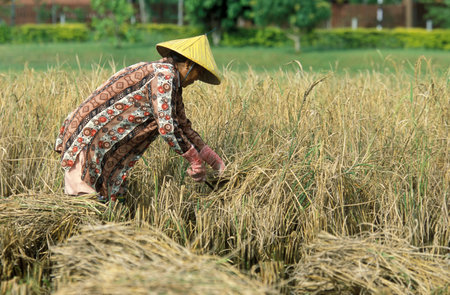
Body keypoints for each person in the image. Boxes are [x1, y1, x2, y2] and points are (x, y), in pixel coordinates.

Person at [54, 35, 225, 202]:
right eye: (198, 72)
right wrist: (194, 160)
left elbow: (183, 126)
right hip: (90, 138)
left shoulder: (170, 80)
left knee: (107, 204)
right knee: (84, 206)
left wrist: (214, 161)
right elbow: (168, 128)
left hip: (104, 145)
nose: (197, 79)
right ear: (188, 64)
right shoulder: (164, 76)